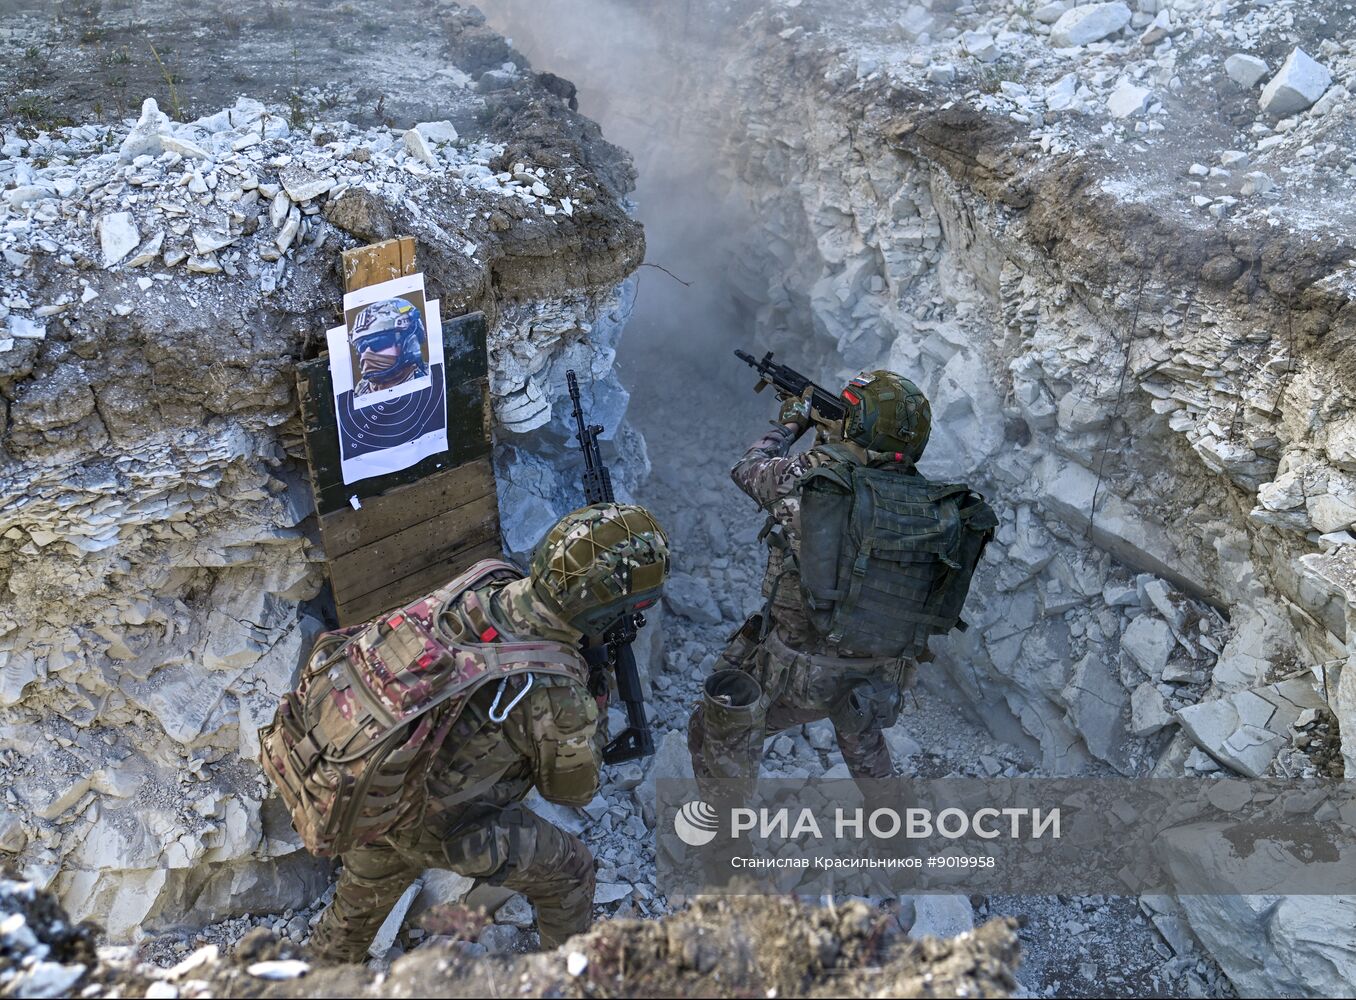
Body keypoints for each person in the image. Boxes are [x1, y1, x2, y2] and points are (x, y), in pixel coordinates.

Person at [265, 503, 669, 963]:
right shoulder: (558, 691)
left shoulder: (484, 581)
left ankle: (320, 975)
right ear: (604, 612)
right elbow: (572, 790)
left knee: (357, 906)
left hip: (381, 785)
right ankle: (564, 977)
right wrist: (595, 697)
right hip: (450, 825)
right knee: (572, 871)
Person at [688, 370, 995, 797]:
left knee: (713, 729)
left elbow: (749, 469)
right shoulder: (930, 504)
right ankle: (899, 840)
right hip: (881, 673)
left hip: (800, 673)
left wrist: (793, 422)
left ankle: (727, 852)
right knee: (861, 736)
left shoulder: (817, 483)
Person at [350, 298, 430, 397]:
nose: (366, 354)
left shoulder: (431, 376)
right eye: (361, 348)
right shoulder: (361, 390)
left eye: (378, 343)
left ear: (410, 342)